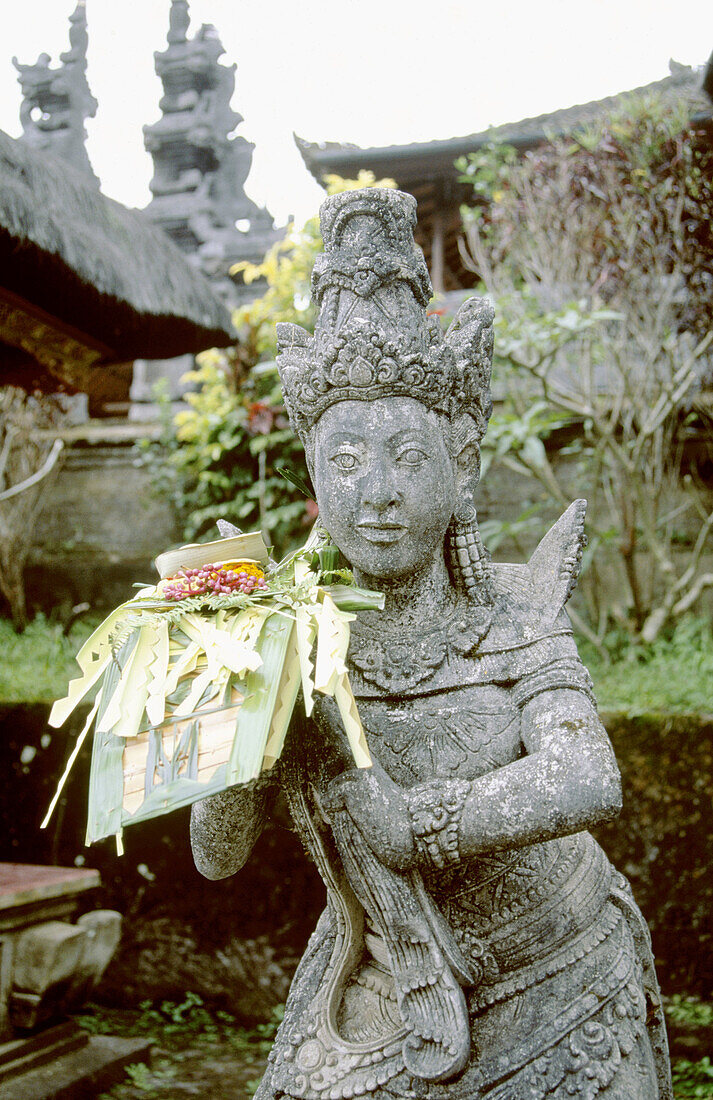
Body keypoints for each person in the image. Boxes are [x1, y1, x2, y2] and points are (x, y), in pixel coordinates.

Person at [190, 188, 672, 1099]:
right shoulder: (286, 635)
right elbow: (216, 855)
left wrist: (418, 825)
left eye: (407, 458)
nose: (375, 492)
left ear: (461, 470)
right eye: (344, 461)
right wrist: (240, 720)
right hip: (384, 986)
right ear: (312, 478)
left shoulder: (513, 614)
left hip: (563, 969)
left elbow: (584, 774)